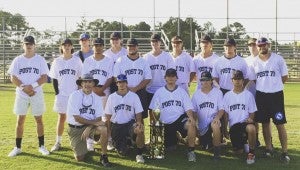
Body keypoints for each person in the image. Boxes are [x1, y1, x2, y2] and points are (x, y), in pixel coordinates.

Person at [249, 37, 290, 163]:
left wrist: (274, 86)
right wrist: (265, 87)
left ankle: (284, 152)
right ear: (257, 47)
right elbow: (254, 79)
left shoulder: (278, 59)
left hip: (276, 96)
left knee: (280, 123)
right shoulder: (254, 62)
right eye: (259, 45)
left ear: (268, 45)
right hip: (261, 96)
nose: (262, 47)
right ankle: (269, 148)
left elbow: (284, 77)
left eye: (264, 45)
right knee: (265, 123)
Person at [7, 35, 50, 157]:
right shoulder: (18, 60)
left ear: (34, 45)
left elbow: (44, 77)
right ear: (23, 45)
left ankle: (42, 146)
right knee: (20, 119)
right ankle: (17, 147)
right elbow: (13, 77)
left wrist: (32, 87)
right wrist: (24, 88)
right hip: (22, 94)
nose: (29, 46)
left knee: (39, 119)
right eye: (26, 44)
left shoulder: (40, 60)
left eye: (31, 44)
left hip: (36, 93)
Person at [149, 68, 197, 162]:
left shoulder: (182, 91)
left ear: (176, 78)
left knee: (191, 124)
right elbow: (154, 110)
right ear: (165, 78)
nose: (171, 78)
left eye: (173, 76)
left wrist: (191, 118)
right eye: (169, 76)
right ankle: (175, 138)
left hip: (179, 120)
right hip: (165, 123)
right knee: (170, 148)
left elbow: (188, 108)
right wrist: (155, 123)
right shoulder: (159, 92)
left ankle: (191, 152)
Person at [66, 73, 111, 167]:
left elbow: (99, 118)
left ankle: (104, 156)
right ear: (81, 84)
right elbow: (77, 118)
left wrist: (89, 127)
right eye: (85, 82)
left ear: (93, 84)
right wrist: (92, 124)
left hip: (90, 127)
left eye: (90, 82)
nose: (87, 84)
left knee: (103, 129)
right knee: (80, 158)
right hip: (75, 128)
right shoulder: (74, 95)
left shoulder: (97, 98)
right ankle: (81, 147)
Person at [212, 38, 249, 144]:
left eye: (231, 46)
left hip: (237, 91)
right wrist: (219, 88)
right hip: (223, 90)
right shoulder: (218, 61)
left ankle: (239, 135)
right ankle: (223, 135)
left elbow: (246, 77)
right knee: (223, 115)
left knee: (237, 112)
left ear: (235, 47)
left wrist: (241, 88)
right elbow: (215, 78)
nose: (229, 48)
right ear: (224, 47)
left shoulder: (241, 61)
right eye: (226, 46)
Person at [49, 39, 83, 152]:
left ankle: (76, 142)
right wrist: (57, 93)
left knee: (76, 118)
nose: (67, 47)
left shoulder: (77, 60)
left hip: (74, 94)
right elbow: (54, 78)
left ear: (72, 47)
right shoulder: (57, 61)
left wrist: (79, 92)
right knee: (62, 117)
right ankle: (58, 142)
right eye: (65, 45)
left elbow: (80, 78)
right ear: (61, 47)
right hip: (62, 94)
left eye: (69, 45)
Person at [105, 74, 146, 163]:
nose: (121, 84)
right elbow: (108, 116)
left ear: (126, 83)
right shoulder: (112, 97)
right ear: (116, 84)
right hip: (116, 126)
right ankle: (127, 142)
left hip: (129, 124)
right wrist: (109, 133)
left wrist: (139, 122)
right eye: (119, 82)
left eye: (123, 82)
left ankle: (139, 154)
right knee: (123, 153)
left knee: (139, 130)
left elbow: (138, 112)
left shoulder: (134, 96)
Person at [82, 37, 114, 151]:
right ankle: (89, 142)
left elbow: (110, 77)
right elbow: (84, 78)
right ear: (92, 46)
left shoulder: (109, 60)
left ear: (103, 47)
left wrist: (102, 89)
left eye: (100, 45)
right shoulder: (88, 60)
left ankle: (108, 140)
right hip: (91, 92)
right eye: (96, 45)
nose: (98, 47)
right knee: (91, 116)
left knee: (106, 117)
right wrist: (95, 89)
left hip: (105, 91)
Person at [223, 70, 257, 165]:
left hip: (245, 123)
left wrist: (250, 119)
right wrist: (225, 129)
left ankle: (251, 153)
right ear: (232, 80)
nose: (237, 81)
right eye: (235, 79)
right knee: (238, 152)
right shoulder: (227, 96)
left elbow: (252, 111)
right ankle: (244, 144)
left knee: (252, 128)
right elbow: (225, 115)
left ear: (243, 80)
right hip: (234, 127)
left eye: (239, 79)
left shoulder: (248, 95)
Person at [113, 38, 152, 119]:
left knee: (140, 119)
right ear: (126, 47)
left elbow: (148, 78)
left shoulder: (144, 61)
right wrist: (127, 88)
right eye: (129, 46)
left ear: (137, 47)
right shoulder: (120, 60)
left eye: (134, 46)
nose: (131, 48)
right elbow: (115, 77)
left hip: (140, 92)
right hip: (124, 92)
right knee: (125, 117)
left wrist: (136, 88)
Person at [191, 71, 224, 160]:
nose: (205, 82)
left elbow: (221, 109)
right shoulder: (196, 94)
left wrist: (217, 118)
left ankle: (217, 152)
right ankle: (208, 142)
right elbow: (194, 112)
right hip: (202, 127)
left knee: (215, 125)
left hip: (213, 120)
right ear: (200, 81)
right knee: (207, 147)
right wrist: (195, 127)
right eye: (203, 80)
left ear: (211, 81)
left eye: (207, 80)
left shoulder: (218, 92)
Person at [143, 33, 175, 120]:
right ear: (150, 43)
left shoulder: (167, 56)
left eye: (156, 41)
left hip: (163, 89)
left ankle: (164, 132)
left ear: (160, 42)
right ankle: (153, 132)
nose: (155, 43)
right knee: (152, 113)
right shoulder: (146, 57)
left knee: (164, 112)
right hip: (150, 89)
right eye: (153, 41)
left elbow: (172, 73)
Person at [245, 38, 263, 147]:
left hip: (261, 91)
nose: (252, 47)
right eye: (250, 45)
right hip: (249, 91)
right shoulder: (245, 60)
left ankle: (265, 138)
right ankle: (253, 138)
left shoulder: (263, 59)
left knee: (263, 117)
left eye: (254, 45)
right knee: (251, 115)